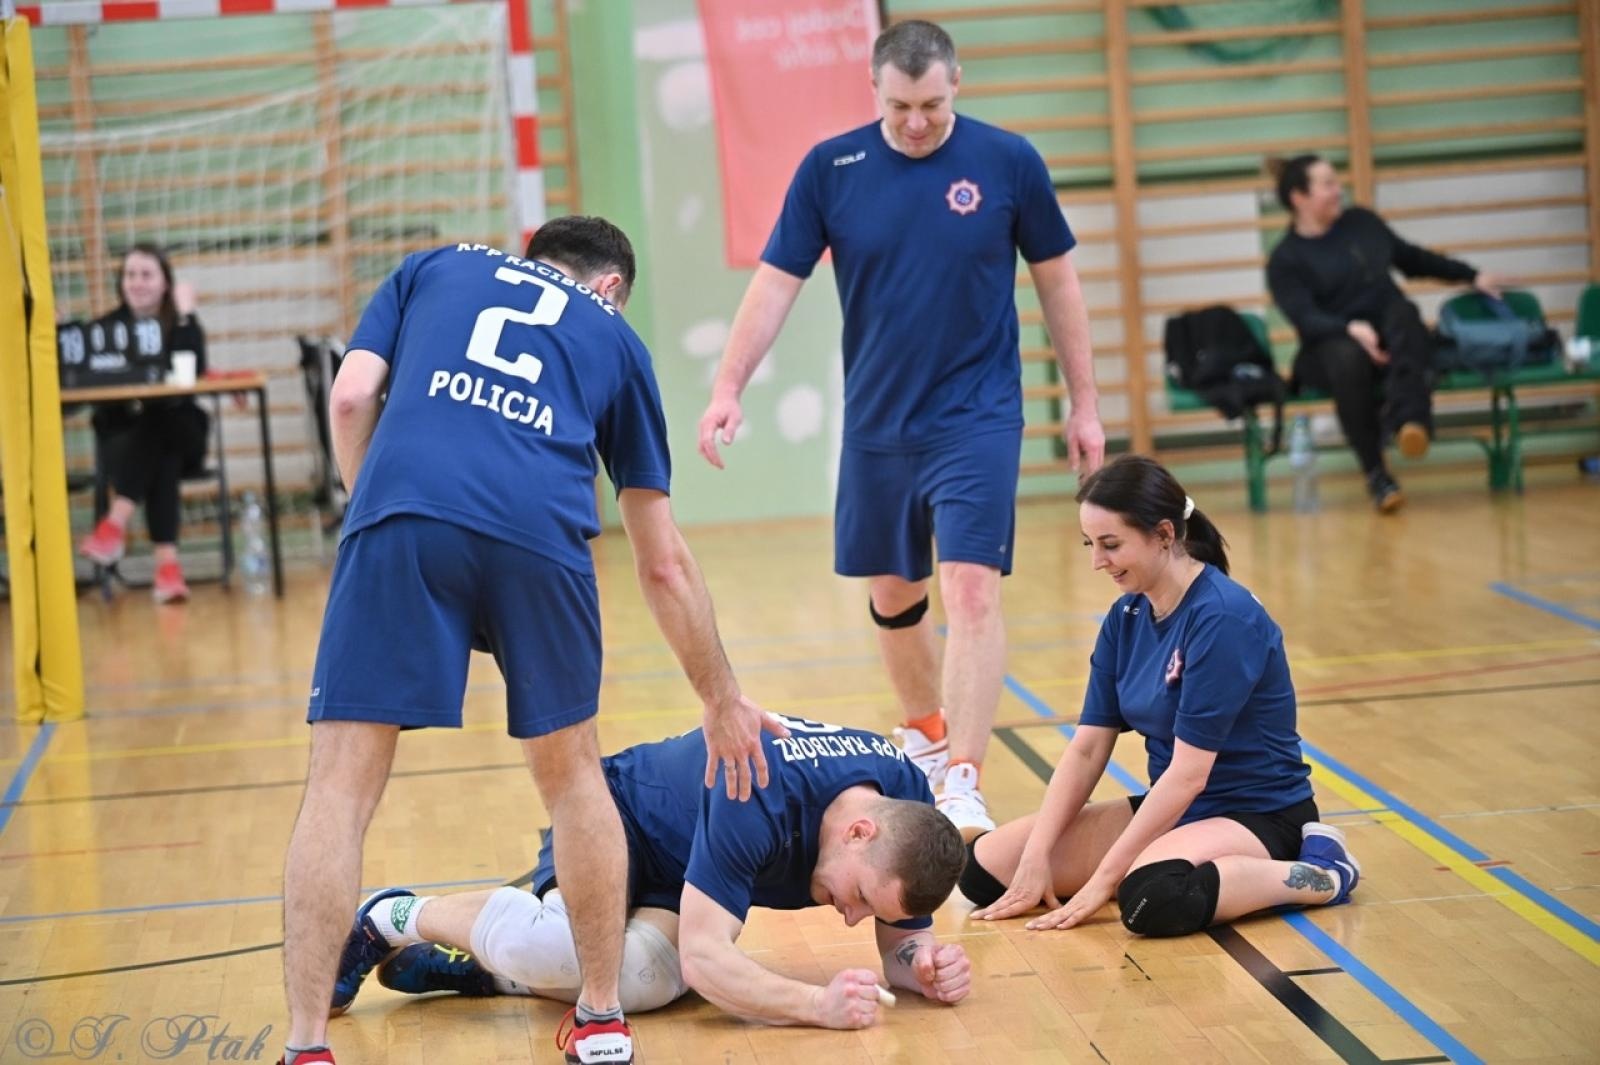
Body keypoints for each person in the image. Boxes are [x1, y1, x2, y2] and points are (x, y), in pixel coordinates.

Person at [279, 218, 785, 1065]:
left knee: (339, 787)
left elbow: (350, 396)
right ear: (612, 289)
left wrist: (376, 511)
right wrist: (720, 696)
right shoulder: (614, 341)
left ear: (528, 258)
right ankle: (599, 1019)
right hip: (539, 535)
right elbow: (661, 563)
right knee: (572, 775)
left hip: (400, 514)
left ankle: (305, 1047)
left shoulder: (433, 268)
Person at [697, 19, 1105, 839]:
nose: (916, 121)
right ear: (874, 92)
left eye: (931, 104)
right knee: (895, 594)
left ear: (959, 82)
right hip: (879, 420)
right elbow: (775, 285)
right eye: (899, 106)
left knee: (970, 587)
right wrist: (728, 386)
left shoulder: (1008, 163)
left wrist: (1084, 402)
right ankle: (926, 736)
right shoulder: (832, 168)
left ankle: (963, 776)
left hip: (978, 415)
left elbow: (1058, 283)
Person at [329, 716, 971, 1033]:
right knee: (553, 948)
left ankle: (483, 973)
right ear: (860, 831)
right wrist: (815, 1006)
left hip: (684, 866)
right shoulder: (758, 791)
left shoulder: (905, 806)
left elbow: (900, 943)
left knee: (639, 982)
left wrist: (922, 962)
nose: (852, 918)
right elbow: (706, 961)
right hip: (617, 817)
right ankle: (391, 915)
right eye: (858, 898)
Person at [960, 455, 1361, 936]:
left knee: (1151, 897)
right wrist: (1037, 855)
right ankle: (1125, 860)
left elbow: (1190, 775)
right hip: (1176, 811)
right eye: (1091, 544)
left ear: (1165, 534)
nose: (1097, 561)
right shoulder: (1126, 617)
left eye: (1111, 544)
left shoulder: (1222, 618)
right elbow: (1088, 748)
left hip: (1256, 813)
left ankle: (1323, 873)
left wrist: (1103, 881)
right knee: (984, 871)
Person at [1265, 154, 1504, 512]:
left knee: (1405, 314)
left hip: (1389, 337)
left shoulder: (1362, 223)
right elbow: (1306, 317)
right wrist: (1350, 328)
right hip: (1329, 347)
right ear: (1299, 197)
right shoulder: (1285, 260)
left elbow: (1412, 258)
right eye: (1327, 183)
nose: (1337, 189)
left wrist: (1471, 275)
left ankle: (1411, 421)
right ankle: (1378, 475)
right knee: (1346, 358)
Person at [77, 243, 211, 602]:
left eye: (146, 274)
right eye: (130, 274)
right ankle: (168, 569)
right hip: (131, 446)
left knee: (160, 418)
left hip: (186, 436)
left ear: (165, 283)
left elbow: (194, 370)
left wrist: (186, 316)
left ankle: (114, 524)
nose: (137, 282)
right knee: (159, 455)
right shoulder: (103, 330)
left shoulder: (180, 323)